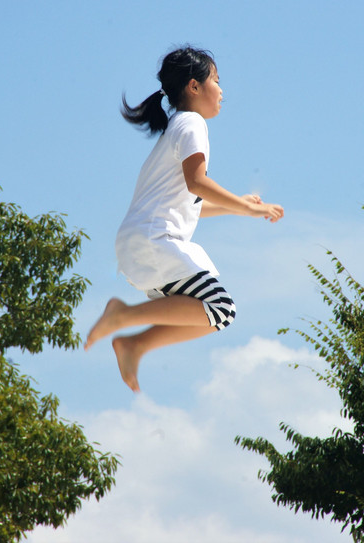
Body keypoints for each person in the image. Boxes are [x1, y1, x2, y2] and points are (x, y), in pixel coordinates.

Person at [85, 47, 284, 392]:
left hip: (142, 244)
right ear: (194, 86)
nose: (222, 91)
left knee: (215, 316)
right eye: (217, 81)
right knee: (220, 308)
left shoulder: (175, 128)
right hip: (153, 242)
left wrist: (238, 204)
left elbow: (190, 204)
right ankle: (123, 318)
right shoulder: (193, 124)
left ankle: (135, 344)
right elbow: (197, 183)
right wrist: (248, 208)